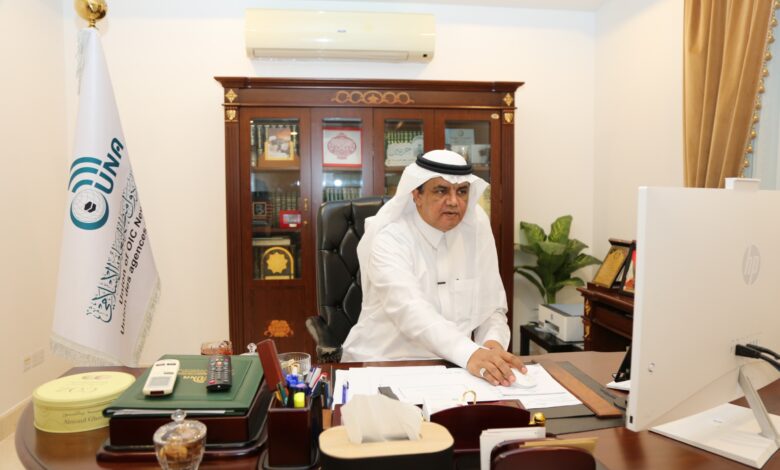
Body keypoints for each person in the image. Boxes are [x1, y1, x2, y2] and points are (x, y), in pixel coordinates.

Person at [341, 150, 527, 386]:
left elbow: (492, 307)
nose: (454, 201)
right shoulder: (390, 237)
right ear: (416, 195)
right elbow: (411, 311)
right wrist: (470, 353)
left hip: (456, 368)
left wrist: (492, 344)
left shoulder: (475, 227)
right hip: (384, 365)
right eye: (441, 190)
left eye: (462, 191)